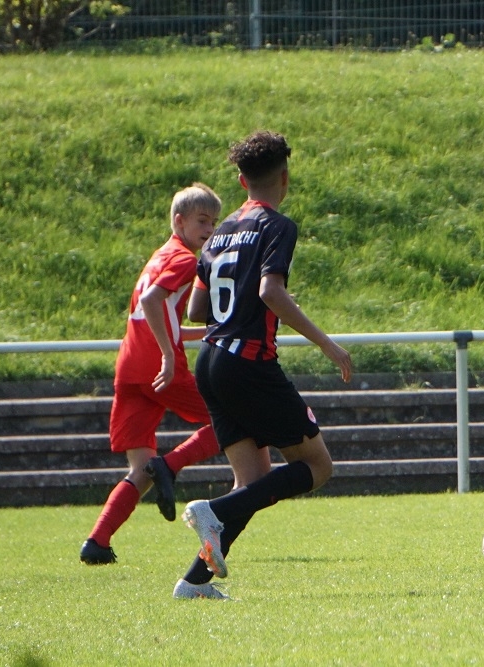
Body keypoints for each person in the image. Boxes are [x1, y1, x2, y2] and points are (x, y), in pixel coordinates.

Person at [172, 131, 353, 600]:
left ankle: (194, 583)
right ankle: (212, 511)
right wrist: (328, 345)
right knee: (317, 466)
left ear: (241, 180)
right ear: (285, 178)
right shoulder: (277, 226)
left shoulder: (221, 231)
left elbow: (196, 309)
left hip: (210, 361)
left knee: (251, 482)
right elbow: (270, 291)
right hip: (248, 363)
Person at [80, 183, 223, 565]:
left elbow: (157, 315)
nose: (209, 228)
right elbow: (151, 300)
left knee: (139, 468)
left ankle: (97, 542)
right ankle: (170, 465)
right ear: (179, 221)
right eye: (202, 220)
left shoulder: (159, 256)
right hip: (156, 367)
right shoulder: (184, 259)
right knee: (232, 419)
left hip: (130, 369)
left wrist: (209, 332)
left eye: (213, 221)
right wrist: (169, 356)